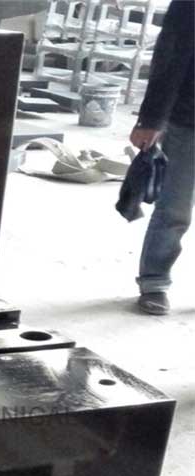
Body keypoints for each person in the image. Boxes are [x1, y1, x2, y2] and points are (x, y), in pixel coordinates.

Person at [129, 0, 194, 315]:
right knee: (175, 207)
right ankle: (155, 281)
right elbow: (170, 56)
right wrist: (152, 119)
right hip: (188, 119)